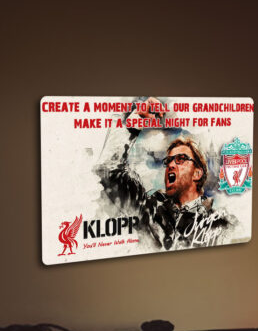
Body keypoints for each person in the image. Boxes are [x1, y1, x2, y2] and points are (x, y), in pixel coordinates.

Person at [96, 102, 236, 251]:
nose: (171, 165)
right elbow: (107, 171)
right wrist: (134, 122)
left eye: (181, 159)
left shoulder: (220, 223)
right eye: (168, 161)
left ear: (197, 173)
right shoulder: (151, 209)